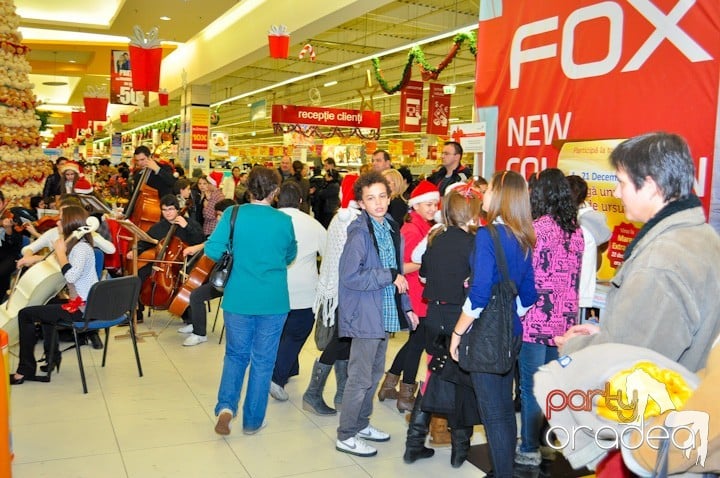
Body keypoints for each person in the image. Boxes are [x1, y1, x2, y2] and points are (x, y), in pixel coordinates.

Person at [556, 132, 720, 373]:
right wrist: (609, 332)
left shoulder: (660, 262)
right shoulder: (703, 236)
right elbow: (661, 333)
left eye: (622, 182)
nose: (616, 193)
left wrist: (574, 347)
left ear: (651, 186)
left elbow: (630, 362)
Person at [449, 170, 538, 477]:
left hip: (485, 334)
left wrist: (458, 332)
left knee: (494, 413)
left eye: (488, 191)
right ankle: (503, 469)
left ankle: (503, 472)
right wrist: (509, 313)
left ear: (499, 196)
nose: (482, 195)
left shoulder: (489, 235)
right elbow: (529, 294)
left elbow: (479, 294)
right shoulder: (524, 235)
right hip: (511, 332)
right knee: (503, 408)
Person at [205, 166, 297, 436]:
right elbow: (290, 254)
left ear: (247, 188)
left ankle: (225, 408)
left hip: (238, 297)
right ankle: (253, 420)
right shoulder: (283, 221)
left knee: (235, 355)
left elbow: (212, 249)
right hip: (273, 299)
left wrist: (236, 251)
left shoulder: (233, 214)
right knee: (263, 360)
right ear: (276, 192)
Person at [335, 171, 419, 458]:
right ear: (361, 202)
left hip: (384, 312)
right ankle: (345, 435)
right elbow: (349, 276)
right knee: (360, 378)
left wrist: (406, 306)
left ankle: (361, 424)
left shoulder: (390, 228)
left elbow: (398, 275)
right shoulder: (359, 233)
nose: (378, 203)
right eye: (371, 198)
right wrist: (388, 276)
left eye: (382, 196)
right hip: (364, 314)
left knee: (373, 374)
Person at [404, 183, 484, 467]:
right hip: (459, 321)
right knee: (462, 381)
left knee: (434, 377)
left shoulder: (436, 238)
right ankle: (459, 450)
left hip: (433, 318)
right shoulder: (475, 243)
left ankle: (414, 442)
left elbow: (423, 275)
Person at [515, 168, 584, 468]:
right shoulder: (576, 230)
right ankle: (545, 442)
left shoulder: (537, 228)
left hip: (536, 318)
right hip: (565, 318)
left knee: (531, 386)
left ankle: (529, 447)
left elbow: (527, 274)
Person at [10, 205, 98, 384]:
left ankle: (24, 371)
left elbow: (71, 274)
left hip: (83, 308)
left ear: (70, 223)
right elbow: (55, 264)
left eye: (61, 218)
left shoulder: (81, 248)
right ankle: (53, 357)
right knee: (48, 304)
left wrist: (60, 253)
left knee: (25, 314)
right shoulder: (75, 244)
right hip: (83, 303)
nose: (57, 221)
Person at [378, 180, 439, 412]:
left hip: (420, 293)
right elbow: (402, 265)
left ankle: (390, 384)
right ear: (416, 205)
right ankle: (406, 393)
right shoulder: (413, 229)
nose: (433, 209)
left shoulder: (423, 225)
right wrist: (427, 262)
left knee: (415, 342)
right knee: (417, 344)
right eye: (428, 205)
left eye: (435, 204)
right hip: (415, 295)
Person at [302, 174, 360, 416]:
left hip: (337, 289)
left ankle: (341, 392)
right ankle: (313, 392)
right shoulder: (352, 220)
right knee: (341, 340)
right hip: (346, 291)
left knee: (344, 341)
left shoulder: (341, 216)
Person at [269, 182, 327, 400]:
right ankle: (277, 378)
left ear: (277, 198)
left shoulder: (270, 222)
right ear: (301, 201)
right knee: (295, 334)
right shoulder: (313, 225)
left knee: (280, 332)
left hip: (273, 289)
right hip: (304, 292)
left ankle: (289, 368)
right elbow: (329, 255)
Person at [126, 194, 204, 318]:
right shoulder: (159, 227)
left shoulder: (188, 223)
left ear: (178, 209)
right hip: (163, 263)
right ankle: (136, 314)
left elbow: (201, 240)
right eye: (164, 210)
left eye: (171, 209)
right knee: (140, 274)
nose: (168, 213)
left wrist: (187, 227)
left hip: (185, 263)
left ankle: (187, 314)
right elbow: (146, 241)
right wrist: (135, 251)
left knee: (186, 282)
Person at [176, 198, 236, 346]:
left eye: (220, 215)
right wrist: (196, 248)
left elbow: (215, 249)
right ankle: (196, 323)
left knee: (196, 295)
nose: (217, 218)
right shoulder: (227, 229)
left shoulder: (235, 233)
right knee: (193, 285)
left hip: (230, 279)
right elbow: (210, 242)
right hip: (221, 274)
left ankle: (200, 334)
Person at [566, 174, 611, 316]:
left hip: (573, 284)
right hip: (590, 278)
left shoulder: (575, 223)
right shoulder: (594, 218)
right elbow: (604, 240)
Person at [0, 191, 24, 302]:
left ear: (4, 202)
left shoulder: (13, 217)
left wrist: (8, 229)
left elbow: (16, 244)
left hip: (9, 254)